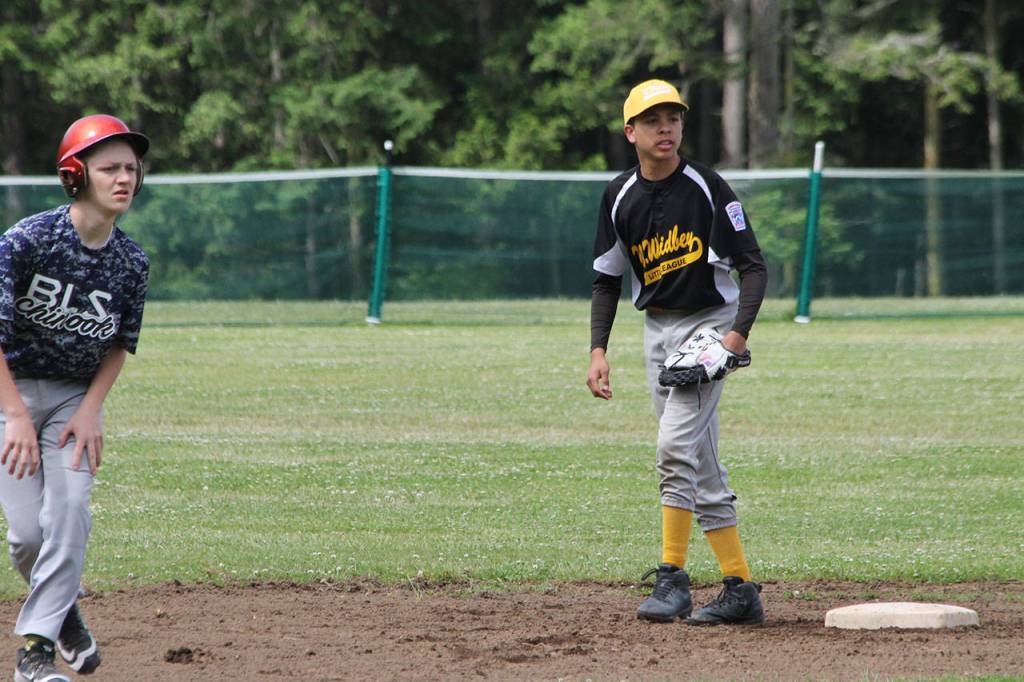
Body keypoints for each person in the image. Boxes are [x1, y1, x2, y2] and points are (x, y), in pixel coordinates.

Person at [586, 80, 768, 625]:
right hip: (657, 333)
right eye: (653, 119)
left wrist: (735, 338)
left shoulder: (708, 188)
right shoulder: (620, 195)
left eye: (674, 117)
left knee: (672, 448)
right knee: (699, 459)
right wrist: (598, 349)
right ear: (631, 132)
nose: (666, 127)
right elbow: (606, 279)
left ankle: (672, 578)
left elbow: (753, 267)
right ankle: (740, 589)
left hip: (709, 330)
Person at [0, 114, 150, 681]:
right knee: (27, 536)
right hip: (8, 392)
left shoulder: (131, 262)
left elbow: (119, 345)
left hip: (71, 402)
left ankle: (33, 657)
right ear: (75, 174)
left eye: (131, 169)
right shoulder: (27, 241)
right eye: (109, 168)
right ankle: (64, 617)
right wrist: (13, 414)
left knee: (68, 512)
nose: (124, 179)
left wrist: (91, 409)